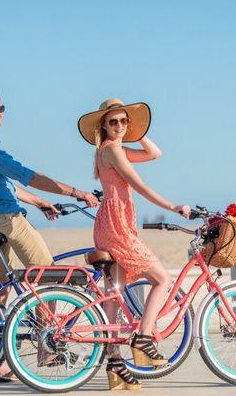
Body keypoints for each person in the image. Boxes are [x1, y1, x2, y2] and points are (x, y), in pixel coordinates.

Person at [0, 86, 99, 381]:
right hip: (7, 221)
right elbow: (27, 175)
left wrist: (39, 202)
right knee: (47, 276)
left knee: (1, 289)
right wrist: (77, 192)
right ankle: (46, 352)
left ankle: (0, 363)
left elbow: (5, 187)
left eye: (0, 109)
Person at [78, 98, 190, 390]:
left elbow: (155, 153)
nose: (119, 126)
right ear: (103, 124)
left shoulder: (113, 149)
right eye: (113, 121)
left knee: (114, 293)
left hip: (112, 224)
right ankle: (143, 336)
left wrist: (136, 130)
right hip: (117, 228)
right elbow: (139, 185)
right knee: (162, 279)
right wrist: (173, 206)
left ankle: (115, 364)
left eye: (124, 121)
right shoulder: (113, 150)